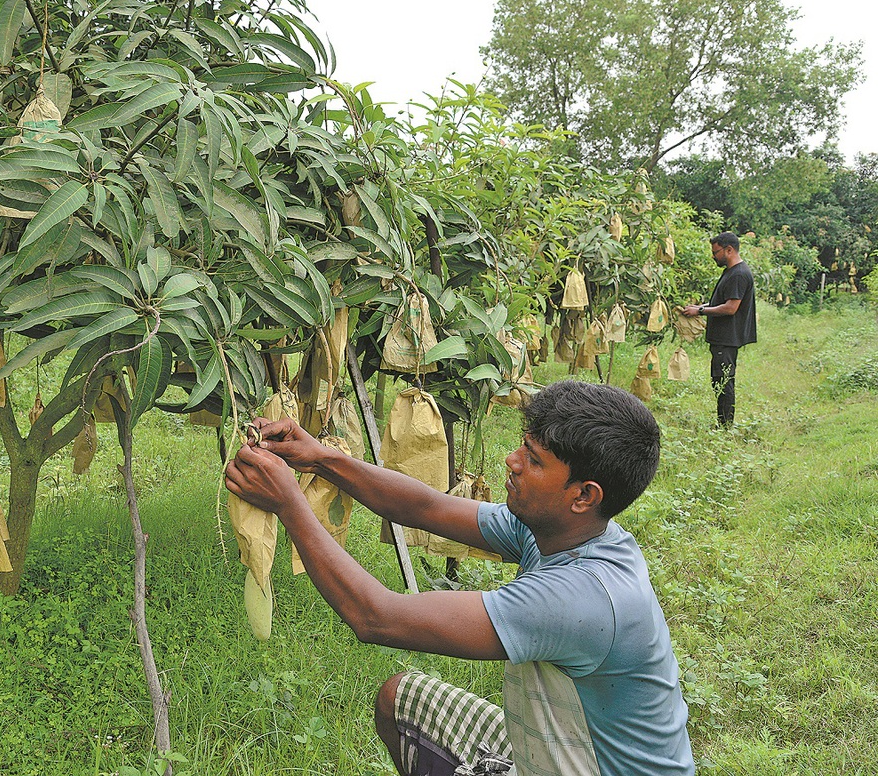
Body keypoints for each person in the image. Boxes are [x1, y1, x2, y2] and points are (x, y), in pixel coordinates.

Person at [225, 380, 694, 776]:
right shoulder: (561, 530)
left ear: (584, 495)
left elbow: (376, 617)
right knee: (400, 699)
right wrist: (321, 458)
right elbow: (422, 507)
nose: (512, 461)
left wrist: (288, 503)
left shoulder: (579, 598)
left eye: (533, 460)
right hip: (565, 755)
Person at [681, 231, 757, 426]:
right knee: (720, 380)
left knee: (724, 382)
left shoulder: (738, 274)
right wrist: (699, 308)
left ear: (729, 250)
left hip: (727, 338)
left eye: (716, 252)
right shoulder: (732, 272)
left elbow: (731, 307)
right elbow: (722, 302)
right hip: (724, 338)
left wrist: (700, 311)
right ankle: (723, 423)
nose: (713, 256)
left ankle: (724, 426)